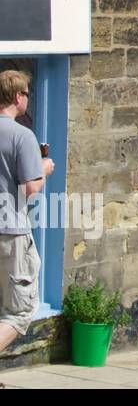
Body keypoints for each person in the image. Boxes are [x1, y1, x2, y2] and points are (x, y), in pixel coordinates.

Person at [0, 70, 54, 355]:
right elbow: (30, 188)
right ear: (18, 97)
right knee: (18, 313)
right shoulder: (22, 135)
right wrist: (43, 168)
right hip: (10, 233)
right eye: (27, 95)